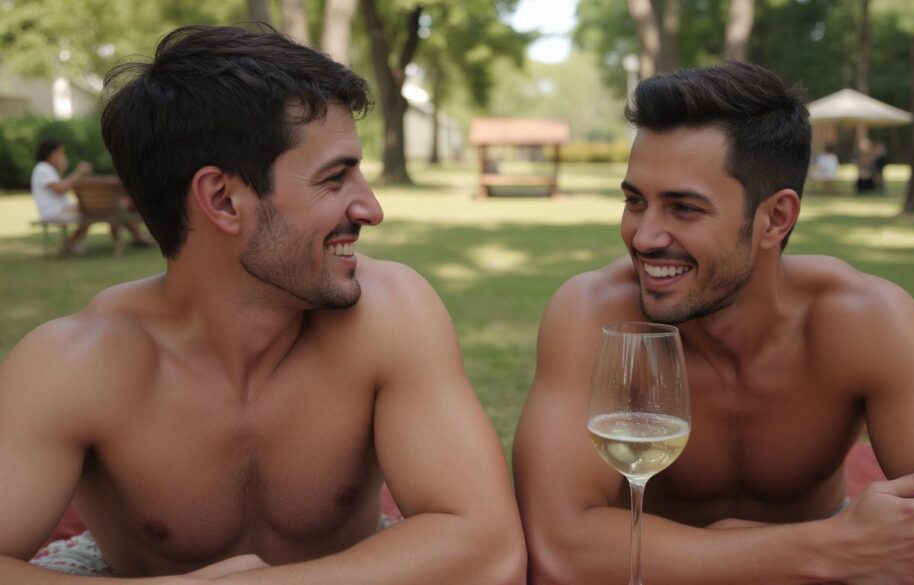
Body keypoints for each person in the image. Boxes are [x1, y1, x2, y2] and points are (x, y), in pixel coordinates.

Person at [0, 25, 525, 584]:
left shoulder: (391, 312)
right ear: (224, 200)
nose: (370, 208)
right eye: (335, 178)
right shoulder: (74, 366)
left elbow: (490, 548)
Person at [514, 62, 914, 584]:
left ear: (776, 218)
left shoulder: (864, 322)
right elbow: (560, 549)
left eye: (684, 208)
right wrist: (832, 548)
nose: (643, 237)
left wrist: (740, 547)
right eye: (635, 200)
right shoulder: (593, 314)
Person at [31, 139, 151, 256]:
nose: (63, 156)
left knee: (106, 208)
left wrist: (62, 170)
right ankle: (137, 237)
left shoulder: (46, 169)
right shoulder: (43, 169)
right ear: (51, 153)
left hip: (61, 209)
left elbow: (60, 187)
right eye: (61, 153)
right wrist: (78, 173)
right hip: (55, 211)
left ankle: (137, 236)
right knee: (107, 208)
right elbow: (60, 188)